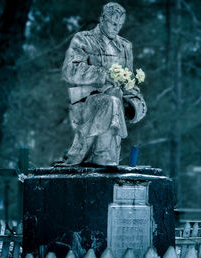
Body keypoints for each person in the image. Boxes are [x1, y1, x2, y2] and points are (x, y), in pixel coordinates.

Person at [62, 2, 146, 166]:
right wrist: (102, 74)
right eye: (114, 23)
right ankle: (100, 154)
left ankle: (106, 156)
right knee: (111, 101)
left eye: (120, 25)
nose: (117, 28)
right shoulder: (84, 39)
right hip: (86, 100)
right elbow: (70, 70)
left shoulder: (125, 46)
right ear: (102, 19)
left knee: (114, 99)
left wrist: (135, 101)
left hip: (115, 99)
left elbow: (127, 81)